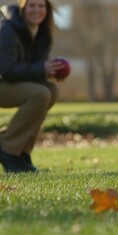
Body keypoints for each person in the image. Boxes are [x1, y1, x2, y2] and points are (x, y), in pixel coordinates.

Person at [0, 0, 65, 173]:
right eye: (32, 5)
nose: (37, 10)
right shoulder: (7, 29)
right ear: (23, 7)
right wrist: (40, 69)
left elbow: (33, 67)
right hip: (3, 80)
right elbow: (6, 69)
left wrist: (48, 71)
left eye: (41, 6)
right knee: (40, 94)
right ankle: (7, 147)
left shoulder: (41, 33)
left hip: (10, 82)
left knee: (51, 91)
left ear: (47, 10)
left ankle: (20, 152)